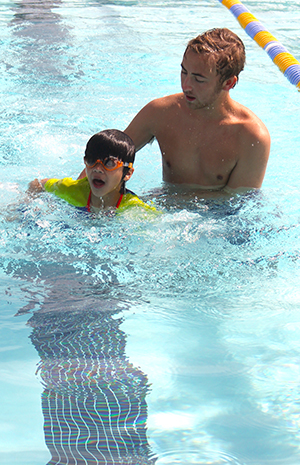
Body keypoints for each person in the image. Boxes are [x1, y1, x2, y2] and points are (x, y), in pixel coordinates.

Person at [124, 28, 271, 194]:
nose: (186, 85)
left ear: (228, 83)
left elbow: (237, 202)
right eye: (184, 72)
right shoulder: (160, 113)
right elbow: (106, 158)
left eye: (198, 79)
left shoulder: (251, 136)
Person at [28, 129, 156, 213]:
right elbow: (40, 183)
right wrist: (27, 201)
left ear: (127, 173)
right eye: (91, 160)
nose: (98, 169)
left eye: (109, 163)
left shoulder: (133, 209)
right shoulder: (74, 190)